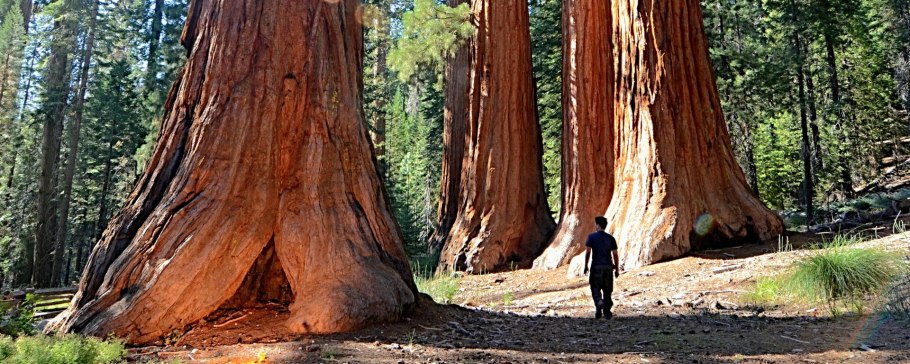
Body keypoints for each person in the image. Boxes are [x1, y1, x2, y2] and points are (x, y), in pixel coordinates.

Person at [583, 216, 620, 319]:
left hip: (596, 267)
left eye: (595, 224)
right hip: (608, 267)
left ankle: (599, 303)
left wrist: (586, 265)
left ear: (598, 225)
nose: (595, 225)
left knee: (595, 287)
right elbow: (615, 255)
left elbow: (588, 252)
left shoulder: (591, 237)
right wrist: (616, 269)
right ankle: (606, 312)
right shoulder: (611, 238)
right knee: (607, 290)